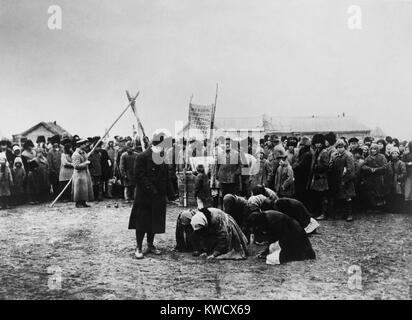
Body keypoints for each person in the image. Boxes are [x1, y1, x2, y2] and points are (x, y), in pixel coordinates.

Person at [128, 132, 174, 259]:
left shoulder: (161, 156)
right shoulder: (142, 157)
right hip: (145, 196)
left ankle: (150, 245)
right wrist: (152, 190)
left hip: (158, 196)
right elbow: (139, 176)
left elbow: (166, 176)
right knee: (141, 222)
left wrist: (170, 193)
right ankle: (138, 246)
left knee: (154, 222)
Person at [245, 210, 316, 264]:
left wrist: (268, 252)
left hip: (293, 230)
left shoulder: (273, 221)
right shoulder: (265, 218)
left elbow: (280, 238)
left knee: (291, 252)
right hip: (288, 228)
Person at [329, 139, 356, 221]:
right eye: (338, 147)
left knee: (347, 197)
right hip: (336, 178)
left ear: (345, 147)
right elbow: (331, 165)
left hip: (346, 179)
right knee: (338, 196)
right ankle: (340, 213)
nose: (340, 149)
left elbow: (351, 169)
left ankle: (349, 214)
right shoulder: (334, 155)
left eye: (342, 147)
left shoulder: (348, 155)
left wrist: (345, 179)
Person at [308, 134, 330, 220]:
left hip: (322, 178)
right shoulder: (316, 151)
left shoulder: (324, 152)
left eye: (319, 143)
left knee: (323, 196)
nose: (318, 145)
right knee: (317, 196)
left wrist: (317, 167)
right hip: (316, 177)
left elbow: (326, 165)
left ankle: (324, 214)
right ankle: (317, 212)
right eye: (316, 143)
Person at [361, 143, 388, 210]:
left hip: (379, 177)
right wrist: (369, 169)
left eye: (375, 149)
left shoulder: (382, 156)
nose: (373, 150)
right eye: (372, 149)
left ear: (377, 150)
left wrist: (377, 169)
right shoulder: (368, 157)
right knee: (371, 192)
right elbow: (363, 166)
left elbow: (385, 166)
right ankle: (372, 207)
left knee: (379, 192)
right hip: (370, 177)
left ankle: (380, 208)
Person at [72, 139, 94, 208]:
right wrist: (85, 163)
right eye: (84, 144)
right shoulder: (76, 154)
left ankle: (83, 202)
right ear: (80, 145)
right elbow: (76, 166)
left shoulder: (84, 153)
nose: (85, 145)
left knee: (84, 189)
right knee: (79, 189)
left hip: (85, 173)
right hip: (79, 174)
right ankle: (78, 203)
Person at [292, 136, 312, 208]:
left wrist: (294, 166)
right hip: (303, 175)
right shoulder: (307, 152)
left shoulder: (306, 153)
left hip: (302, 176)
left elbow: (299, 164)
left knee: (301, 193)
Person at [387, 147, 406, 213]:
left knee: (398, 194)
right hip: (391, 181)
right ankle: (392, 209)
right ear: (391, 154)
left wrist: (398, 177)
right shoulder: (389, 163)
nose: (394, 155)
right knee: (391, 194)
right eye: (393, 153)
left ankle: (399, 209)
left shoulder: (401, 163)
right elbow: (387, 171)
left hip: (398, 181)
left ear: (398, 154)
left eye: (396, 153)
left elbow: (404, 173)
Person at [402, 141, 412, 213]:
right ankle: (407, 209)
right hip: (408, 174)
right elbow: (402, 163)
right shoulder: (406, 154)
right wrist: (408, 163)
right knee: (408, 191)